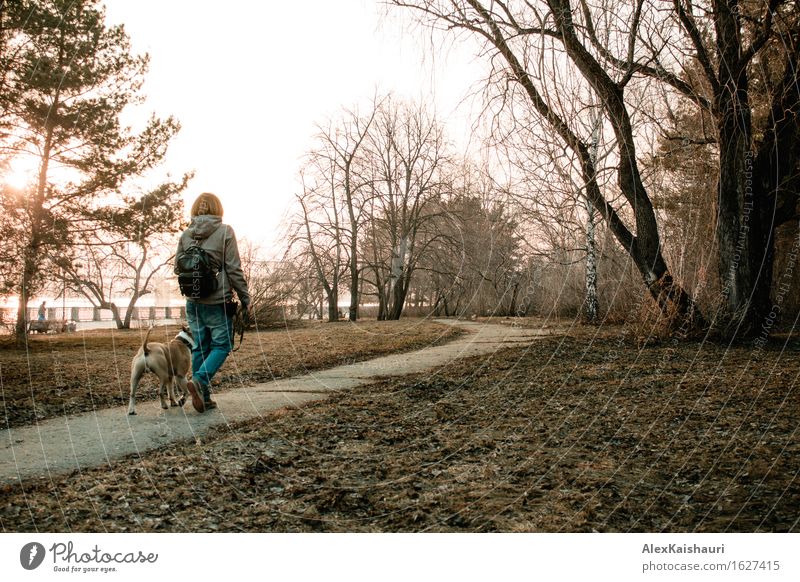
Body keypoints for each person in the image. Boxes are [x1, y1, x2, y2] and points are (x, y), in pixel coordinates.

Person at [175, 192, 250, 413]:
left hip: (193, 301)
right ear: (218, 209)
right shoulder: (225, 231)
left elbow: (178, 267)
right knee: (222, 346)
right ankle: (198, 381)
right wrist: (245, 298)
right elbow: (234, 269)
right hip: (217, 301)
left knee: (201, 347)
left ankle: (204, 398)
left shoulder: (186, 234)